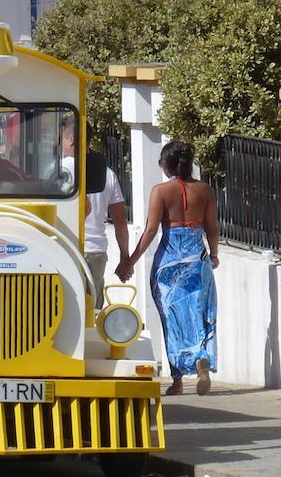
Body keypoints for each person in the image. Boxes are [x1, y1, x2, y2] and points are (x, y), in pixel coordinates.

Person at [116, 141, 219, 396]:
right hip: (197, 259)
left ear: (166, 165)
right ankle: (201, 356)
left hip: (168, 263)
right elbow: (212, 228)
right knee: (198, 314)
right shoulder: (205, 190)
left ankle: (177, 380)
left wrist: (130, 261)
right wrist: (214, 255)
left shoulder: (160, 191)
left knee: (171, 320)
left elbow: (151, 230)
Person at [85, 166, 129, 310]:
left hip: (63, 246)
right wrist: (125, 258)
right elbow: (120, 221)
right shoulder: (106, 173)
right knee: (92, 310)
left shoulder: (57, 167)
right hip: (94, 251)